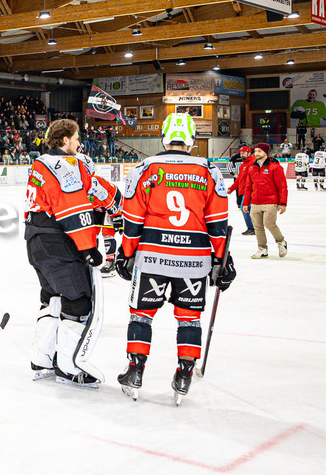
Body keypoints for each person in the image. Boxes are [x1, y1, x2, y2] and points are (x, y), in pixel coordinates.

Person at [114, 113, 235, 404]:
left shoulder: (145, 168)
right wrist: (221, 260)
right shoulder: (208, 170)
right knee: (190, 320)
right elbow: (218, 224)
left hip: (152, 256)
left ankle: (135, 371)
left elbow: (132, 221)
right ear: (192, 139)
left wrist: (125, 253)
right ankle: (184, 375)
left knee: (140, 315)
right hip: (194, 259)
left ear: (164, 137)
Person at [23, 119, 114, 387]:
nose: (79, 143)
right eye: (75, 138)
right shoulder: (64, 166)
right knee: (78, 301)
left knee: (52, 298)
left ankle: (41, 359)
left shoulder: (42, 162)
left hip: (36, 240)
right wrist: (88, 248)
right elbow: (71, 209)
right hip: (57, 243)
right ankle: (68, 366)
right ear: (64, 140)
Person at [242, 142, 288, 259]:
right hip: (255, 202)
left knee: (269, 223)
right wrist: (246, 202)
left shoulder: (275, 167)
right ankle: (262, 249)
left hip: (270, 202)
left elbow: (282, 187)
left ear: (266, 152)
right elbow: (248, 187)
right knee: (257, 226)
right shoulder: (252, 167)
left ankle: (281, 242)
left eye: (259, 151)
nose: (256, 153)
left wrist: (283, 203)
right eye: (255, 151)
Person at [228, 145, 256, 235]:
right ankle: (252, 227)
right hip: (244, 190)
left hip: (251, 191)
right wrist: (231, 189)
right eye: (240, 153)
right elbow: (239, 178)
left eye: (243, 152)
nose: (241, 154)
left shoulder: (253, 163)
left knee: (246, 208)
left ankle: (253, 228)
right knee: (246, 209)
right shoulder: (243, 164)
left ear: (249, 153)